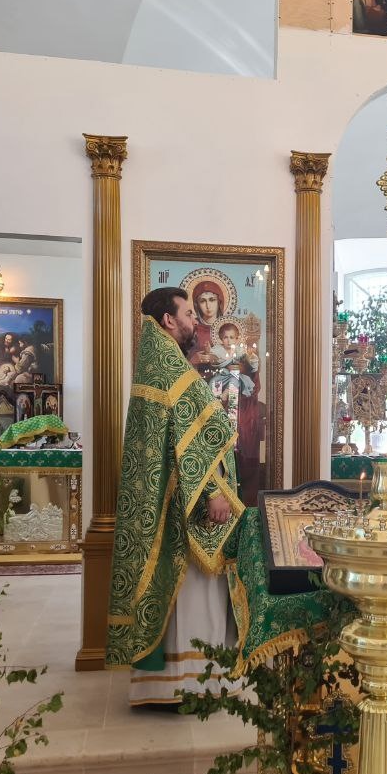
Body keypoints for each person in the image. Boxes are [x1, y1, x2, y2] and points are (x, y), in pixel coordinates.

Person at [106, 287, 244, 707]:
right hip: (192, 509)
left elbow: (180, 440)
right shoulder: (170, 369)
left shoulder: (159, 364)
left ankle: (170, 684)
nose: (195, 320)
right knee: (195, 596)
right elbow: (191, 443)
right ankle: (193, 684)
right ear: (168, 320)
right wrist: (212, 492)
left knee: (185, 593)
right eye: (188, 313)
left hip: (174, 502)